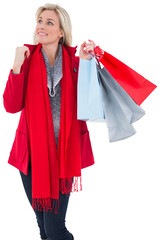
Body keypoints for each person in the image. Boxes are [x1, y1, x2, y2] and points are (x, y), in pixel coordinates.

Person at [3, 3, 97, 240]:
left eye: (49, 22)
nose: (41, 26)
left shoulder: (75, 61)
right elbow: (11, 106)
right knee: (44, 228)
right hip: (31, 157)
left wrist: (87, 63)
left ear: (61, 32)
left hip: (63, 156)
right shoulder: (26, 58)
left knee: (56, 230)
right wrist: (15, 66)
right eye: (40, 21)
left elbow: (89, 106)